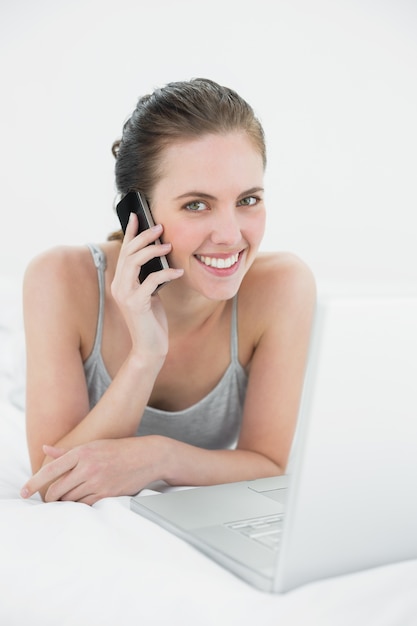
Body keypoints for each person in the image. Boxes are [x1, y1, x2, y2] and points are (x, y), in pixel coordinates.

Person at [20, 78, 316, 505]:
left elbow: (269, 465)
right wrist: (146, 355)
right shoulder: (59, 279)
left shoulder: (282, 287)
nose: (231, 235)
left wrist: (159, 457)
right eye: (196, 204)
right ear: (136, 214)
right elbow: (50, 482)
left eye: (248, 200)